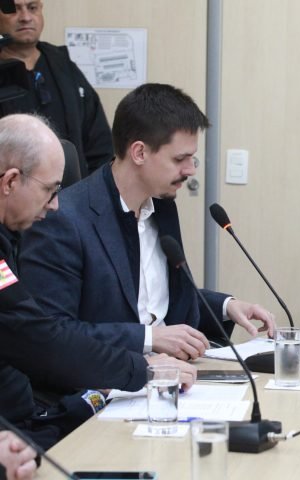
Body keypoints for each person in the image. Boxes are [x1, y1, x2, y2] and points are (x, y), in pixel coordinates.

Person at [19, 83, 276, 362]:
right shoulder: (63, 220)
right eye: (180, 159)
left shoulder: (162, 207)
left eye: (193, 159)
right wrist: (150, 338)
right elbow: (54, 333)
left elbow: (161, 301)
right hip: (110, 378)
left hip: (177, 372)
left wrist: (227, 306)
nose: (190, 170)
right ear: (139, 153)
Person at [0, 113, 195, 452]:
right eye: (49, 190)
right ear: (10, 182)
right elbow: (37, 336)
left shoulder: (10, 236)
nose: (55, 204)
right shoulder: (50, 227)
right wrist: (142, 368)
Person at [0, 0, 114, 180]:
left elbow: (99, 142)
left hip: (72, 190)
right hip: (12, 191)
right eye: (14, 10)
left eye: (32, 8)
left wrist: (95, 189)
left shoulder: (63, 65)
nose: (26, 17)